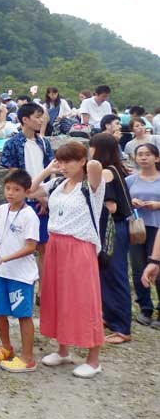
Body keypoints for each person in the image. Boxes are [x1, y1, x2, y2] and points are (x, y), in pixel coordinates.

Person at [30, 141, 105, 378]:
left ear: (81, 161)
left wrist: (83, 154)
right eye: (60, 161)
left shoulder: (91, 186)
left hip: (79, 245)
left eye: (67, 161)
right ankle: (63, 349)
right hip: (55, 244)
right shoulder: (57, 183)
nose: (63, 166)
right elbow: (30, 190)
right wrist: (48, 170)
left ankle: (93, 360)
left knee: (84, 299)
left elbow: (95, 166)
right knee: (57, 296)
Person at [0, 170, 40, 372]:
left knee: (23, 315)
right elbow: (1, 240)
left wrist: (5, 259)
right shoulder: (2, 210)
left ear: (26, 192)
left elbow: (30, 246)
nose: (10, 193)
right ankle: (6, 348)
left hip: (21, 275)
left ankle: (28, 359)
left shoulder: (29, 216)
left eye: (16, 190)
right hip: (2, 272)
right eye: (8, 188)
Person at [91, 133, 134, 345]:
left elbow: (111, 206)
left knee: (116, 276)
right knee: (106, 274)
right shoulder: (117, 168)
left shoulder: (107, 173)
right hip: (117, 228)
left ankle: (122, 328)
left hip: (112, 229)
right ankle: (109, 316)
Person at [0, 103, 54, 269]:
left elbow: (51, 170)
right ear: (25, 119)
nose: (41, 121)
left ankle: (43, 291)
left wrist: (46, 196)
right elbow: (15, 177)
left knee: (44, 246)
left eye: (41, 117)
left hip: (43, 197)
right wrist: (33, 195)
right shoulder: (13, 144)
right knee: (23, 244)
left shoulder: (44, 143)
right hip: (25, 199)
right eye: (37, 117)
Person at [126, 143, 160, 327]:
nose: (144, 157)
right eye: (140, 154)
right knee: (138, 268)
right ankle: (145, 307)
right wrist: (132, 201)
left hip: (157, 228)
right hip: (136, 227)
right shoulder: (131, 180)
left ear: (156, 158)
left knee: (157, 268)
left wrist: (157, 205)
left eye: (148, 154)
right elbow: (122, 200)